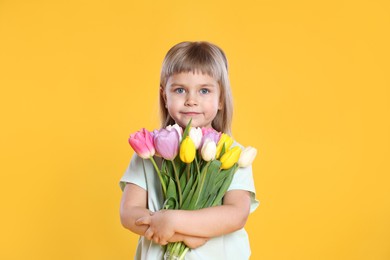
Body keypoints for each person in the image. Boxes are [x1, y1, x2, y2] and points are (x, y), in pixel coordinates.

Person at [119, 41, 259, 259]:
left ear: (221, 98)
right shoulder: (150, 151)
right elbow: (129, 213)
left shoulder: (231, 153)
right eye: (180, 90)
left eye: (204, 90)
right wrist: (180, 235)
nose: (191, 100)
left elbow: (236, 214)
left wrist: (174, 222)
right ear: (165, 97)